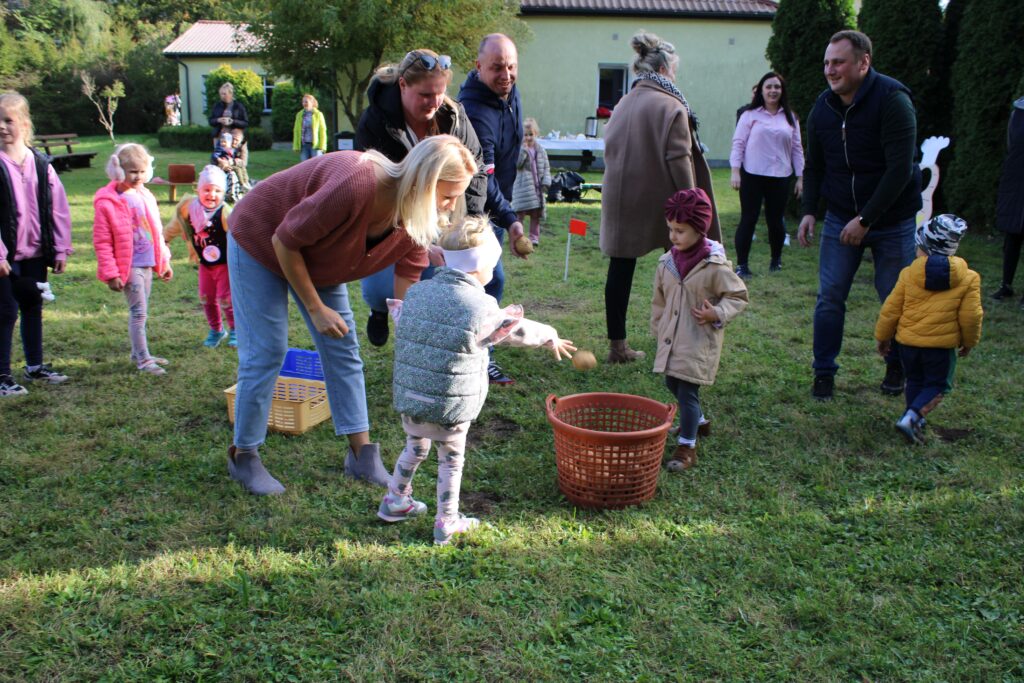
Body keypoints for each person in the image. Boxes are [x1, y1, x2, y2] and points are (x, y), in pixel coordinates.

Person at [225, 135, 477, 496]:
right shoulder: (355, 184)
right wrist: (316, 307)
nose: (451, 208)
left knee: (344, 346)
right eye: (448, 195)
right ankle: (244, 455)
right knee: (267, 351)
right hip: (262, 236)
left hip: (318, 256)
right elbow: (285, 241)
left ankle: (362, 455)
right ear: (423, 181)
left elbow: (402, 301)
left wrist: (414, 347)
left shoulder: (417, 222)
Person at [378, 215, 575, 544]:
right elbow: (516, 330)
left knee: (415, 447)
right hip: (451, 403)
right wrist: (549, 334)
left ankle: (395, 501)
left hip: (412, 396)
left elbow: (404, 322)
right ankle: (447, 520)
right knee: (451, 459)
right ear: (480, 265)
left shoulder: (416, 293)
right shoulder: (480, 307)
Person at [797, 30, 922, 401]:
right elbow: (815, 167)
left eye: (838, 62)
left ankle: (896, 364)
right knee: (830, 296)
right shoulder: (822, 108)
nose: (829, 70)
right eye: (826, 63)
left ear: (863, 62)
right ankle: (823, 373)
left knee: (895, 297)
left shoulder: (893, 101)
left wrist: (866, 219)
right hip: (840, 216)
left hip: (892, 220)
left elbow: (900, 170)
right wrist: (808, 212)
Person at [355, 48, 489, 348]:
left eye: (440, 93)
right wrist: (416, 239)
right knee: (381, 289)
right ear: (403, 85)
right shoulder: (376, 120)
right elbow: (373, 189)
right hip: (395, 215)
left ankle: (474, 344)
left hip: (445, 212)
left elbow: (476, 168)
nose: (434, 102)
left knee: (487, 276)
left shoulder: (453, 115)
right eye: (425, 94)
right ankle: (381, 311)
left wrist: (472, 222)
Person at [600, 31, 721, 364]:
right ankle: (679, 339)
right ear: (666, 67)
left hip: (619, 200)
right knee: (682, 269)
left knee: (620, 270)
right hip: (661, 202)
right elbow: (679, 160)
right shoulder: (672, 105)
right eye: (675, 68)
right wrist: (694, 208)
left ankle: (617, 346)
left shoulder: (623, 102)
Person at [651, 188, 748, 471]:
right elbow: (659, 300)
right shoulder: (667, 262)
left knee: (687, 392)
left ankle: (687, 448)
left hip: (697, 340)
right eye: (670, 229)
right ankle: (700, 423)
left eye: (680, 230)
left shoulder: (714, 266)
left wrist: (716, 313)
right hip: (671, 338)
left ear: (699, 229)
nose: (673, 236)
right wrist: (658, 328)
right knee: (672, 382)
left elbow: (738, 296)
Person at [459, 33, 531, 385]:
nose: (506, 75)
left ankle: (475, 350)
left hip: (497, 207)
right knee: (488, 282)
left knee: (488, 283)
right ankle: (476, 355)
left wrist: (507, 214)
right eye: (497, 67)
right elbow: (481, 180)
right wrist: (512, 219)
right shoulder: (473, 112)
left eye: (511, 66)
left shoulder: (508, 93)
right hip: (470, 210)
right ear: (478, 67)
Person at [874, 215, 983, 444]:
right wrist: (969, 341)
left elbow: (890, 310)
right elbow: (971, 316)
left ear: (922, 246)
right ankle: (912, 418)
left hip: (907, 345)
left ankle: (913, 417)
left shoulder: (908, 274)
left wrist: (883, 337)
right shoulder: (969, 278)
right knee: (937, 385)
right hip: (940, 348)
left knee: (914, 379)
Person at [0, 92, 73, 396]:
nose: (2, 127)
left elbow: (58, 208)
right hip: (5, 257)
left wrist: (59, 248)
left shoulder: (42, 165)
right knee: (5, 311)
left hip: (35, 252)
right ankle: (2, 375)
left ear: (25, 124)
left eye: (8, 120)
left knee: (32, 306)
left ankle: (35, 367)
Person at [92, 143, 174, 376]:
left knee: (143, 309)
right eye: (132, 171)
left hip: (147, 261)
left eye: (141, 171)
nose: (138, 176)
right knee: (138, 312)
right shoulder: (108, 202)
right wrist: (111, 273)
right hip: (128, 266)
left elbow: (156, 231)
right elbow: (103, 241)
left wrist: (164, 260)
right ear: (119, 171)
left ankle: (138, 352)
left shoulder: (145, 195)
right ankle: (144, 360)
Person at [729, 72, 804, 277]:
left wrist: (800, 177)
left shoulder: (790, 117)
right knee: (749, 218)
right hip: (752, 174)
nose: (773, 91)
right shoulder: (750, 115)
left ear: (782, 91)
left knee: (775, 220)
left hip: (780, 176)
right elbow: (738, 143)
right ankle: (742, 265)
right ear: (761, 90)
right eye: (769, 87)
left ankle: (776, 261)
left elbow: (797, 148)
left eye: (777, 87)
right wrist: (735, 171)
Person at [164, 166, 235, 348]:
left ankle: (236, 330)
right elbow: (174, 227)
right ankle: (217, 330)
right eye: (207, 189)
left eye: (217, 190)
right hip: (205, 263)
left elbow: (239, 235)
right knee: (205, 296)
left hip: (224, 264)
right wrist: (163, 241)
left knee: (226, 298)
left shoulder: (226, 213)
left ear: (224, 192)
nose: (212, 194)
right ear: (198, 189)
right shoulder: (188, 209)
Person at [992, 95, 1024, 305]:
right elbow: (1011, 144)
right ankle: (1006, 284)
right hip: (1017, 178)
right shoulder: (1018, 113)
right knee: (1012, 234)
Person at [511, 117, 551, 246]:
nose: (528, 138)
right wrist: (522, 150)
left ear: (536, 134)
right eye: (525, 135)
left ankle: (534, 238)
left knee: (535, 215)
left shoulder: (541, 150)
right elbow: (517, 164)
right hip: (523, 188)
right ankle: (519, 236)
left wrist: (546, 181)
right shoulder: (519, 150)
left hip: (536, 187)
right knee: (520, 214)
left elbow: (546, 167)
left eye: (531, 135)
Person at [293, 94, 328, 161]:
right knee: (305, 167)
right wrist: (296, 146)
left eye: (306, 102)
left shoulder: (318, 114)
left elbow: (322, 131)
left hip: (315, 146)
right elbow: (296, 131)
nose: (304, 103)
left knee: (316, 166)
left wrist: (323, 146)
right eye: (303, 102)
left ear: (312, 103)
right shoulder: (299, 115)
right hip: (304, 146)